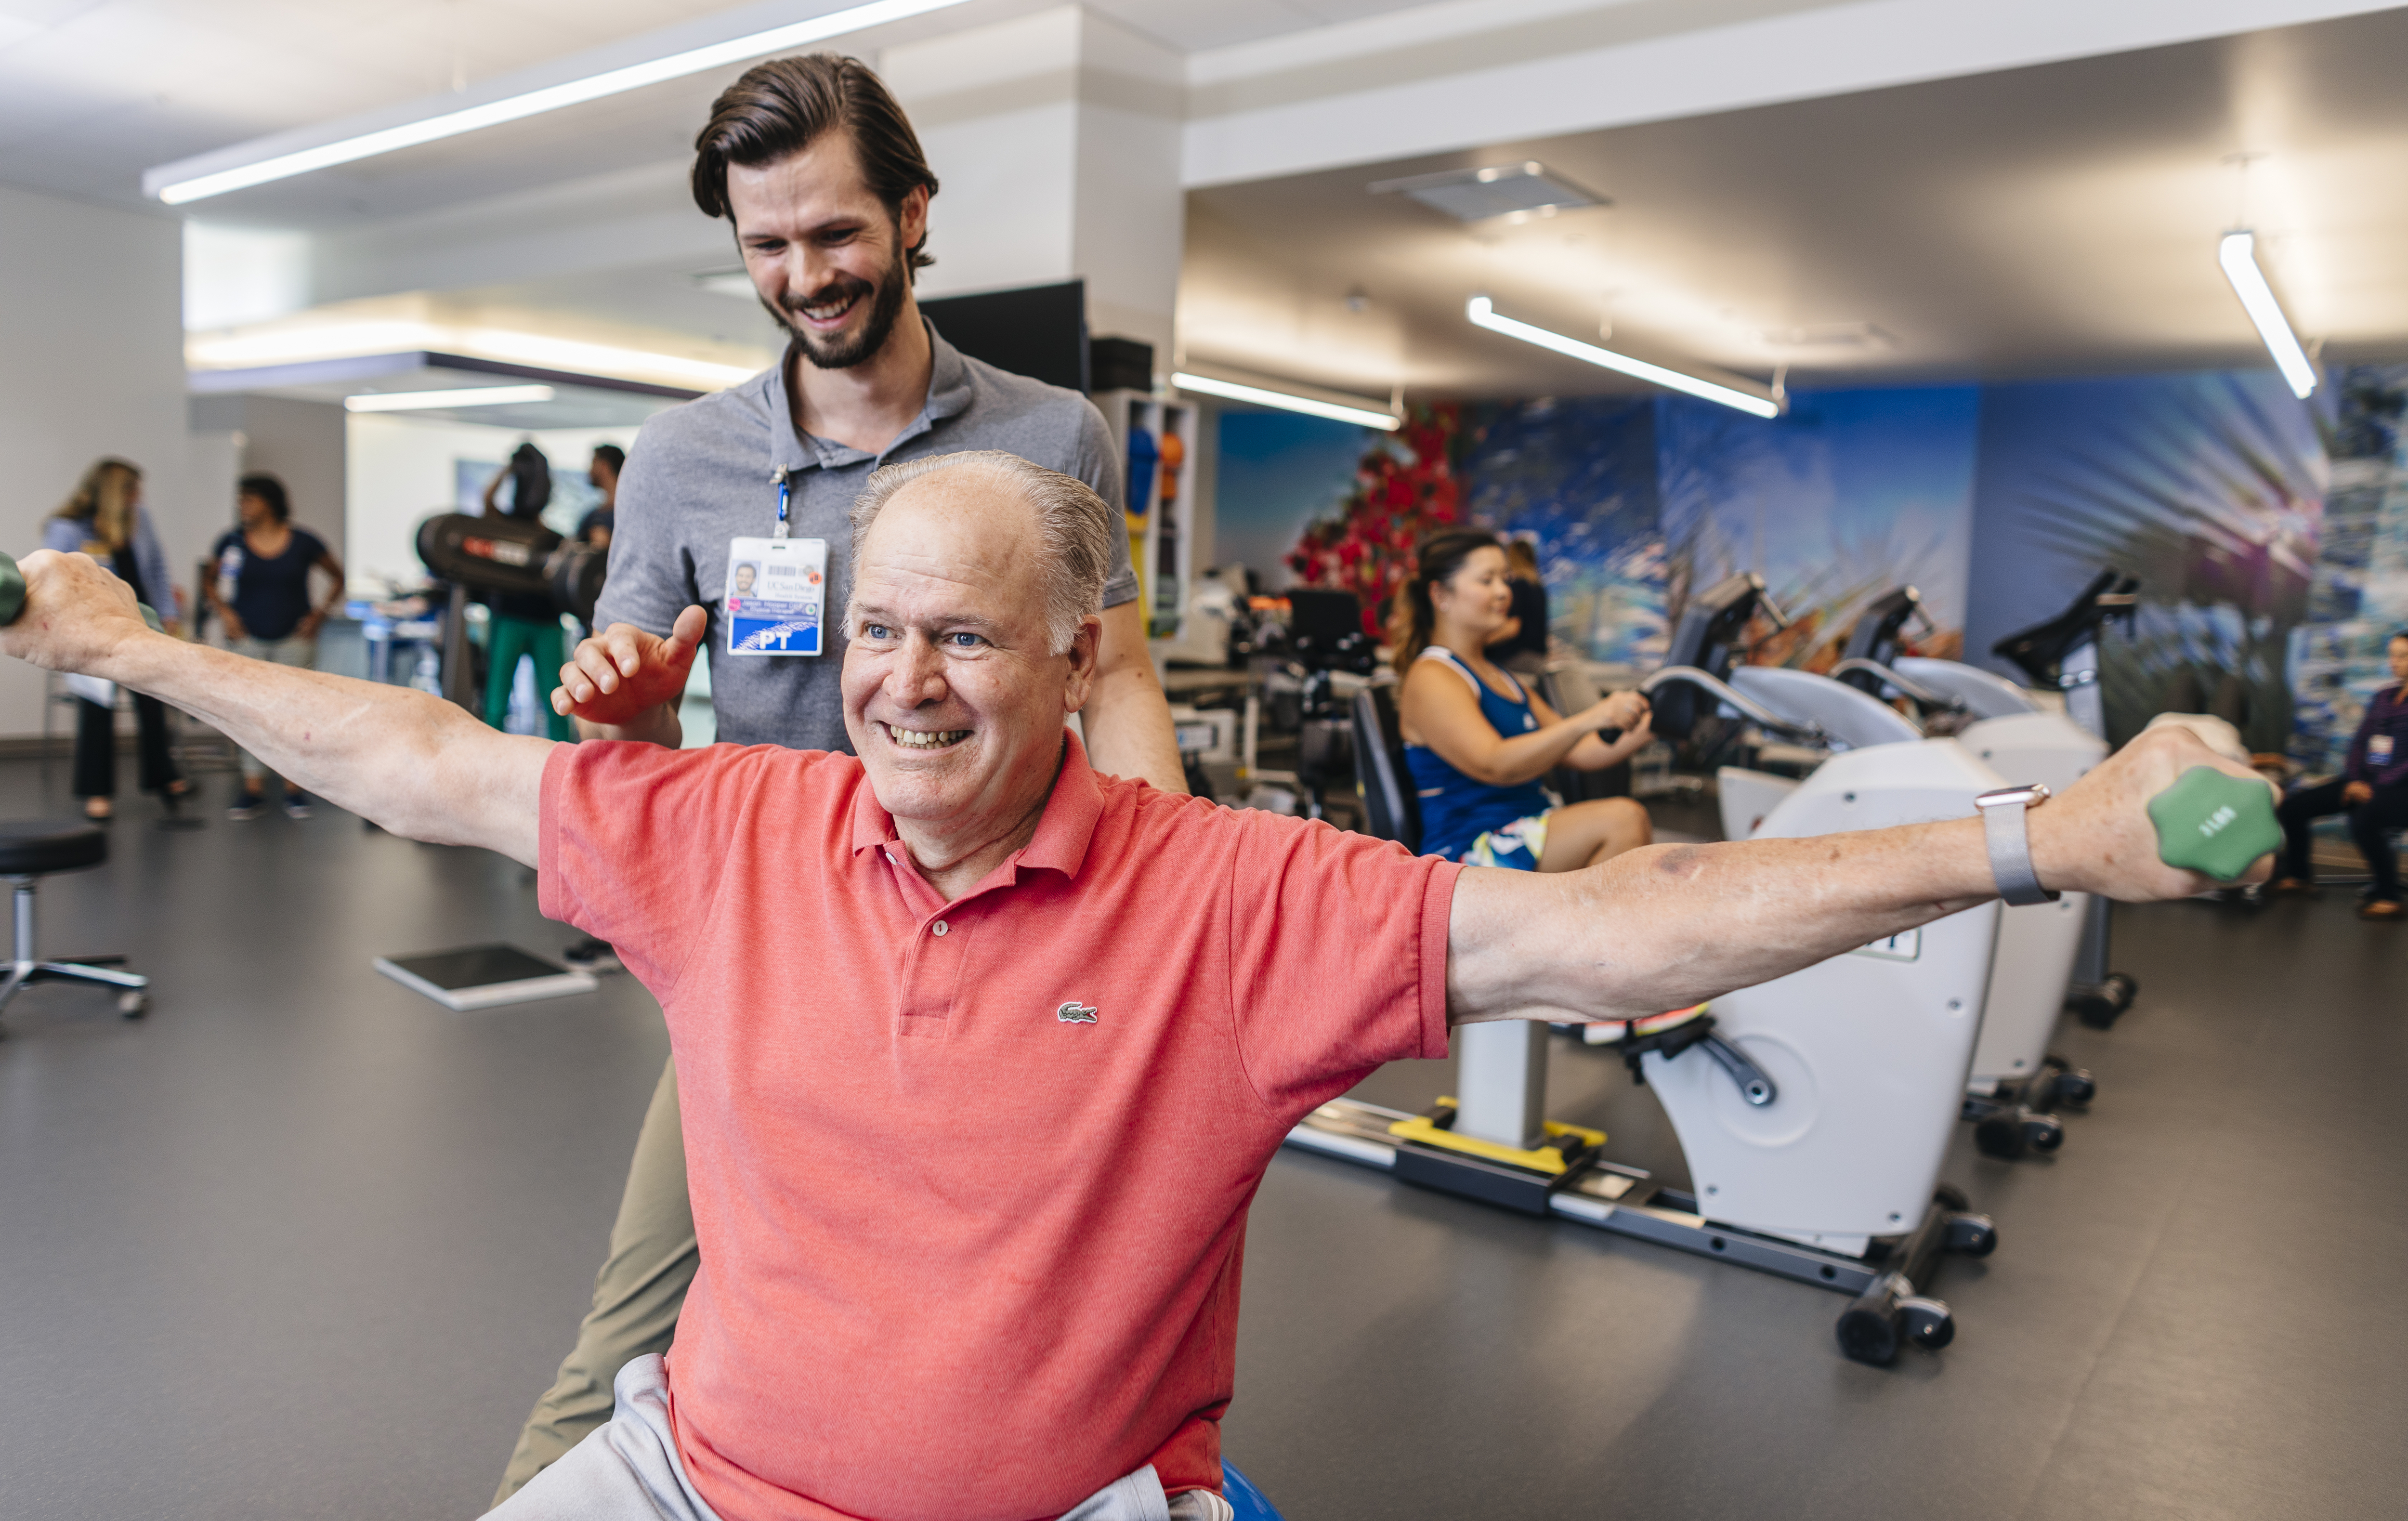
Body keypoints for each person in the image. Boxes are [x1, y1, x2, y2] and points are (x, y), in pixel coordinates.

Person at [0, 451, 2269, 1521]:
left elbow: (1618, 919)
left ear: (1075, 658)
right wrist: (118, 649)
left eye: (963, 636)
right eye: (876, 632)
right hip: (694, 1484)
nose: (904, 684)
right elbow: (420, 756)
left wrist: (2036, 840)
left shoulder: (1229, 900)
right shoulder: (732, 829)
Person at [506, 52, 1186, 1501]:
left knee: (1035, 1332)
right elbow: (630, 755)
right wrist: (620, 716)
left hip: (1008, 941)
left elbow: (1114, 674)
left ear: (912, 214)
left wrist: (1169, 901)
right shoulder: (684, 460)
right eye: (768, 243)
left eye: (836, 233)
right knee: (632, 1314)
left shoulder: (1049, 434)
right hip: (775, 952)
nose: (805, 272)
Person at [1395, 528, 1655, 871]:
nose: (1504, 592)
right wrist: (1591, 717)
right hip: (1467, 853)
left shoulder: (1501, 677)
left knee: (1629, 832)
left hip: (1527, 826)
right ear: (1441, 594)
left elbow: (1583, 750)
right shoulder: (1432, 675)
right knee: (1624, 820)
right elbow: (1494, 763)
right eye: (1486, 580)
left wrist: (1664, 719)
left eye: (1505, 579)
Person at [43, 457, 190, 822]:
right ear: (113, 491)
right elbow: (55, 580)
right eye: (132, 489)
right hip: (93, 631)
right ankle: (97, 792)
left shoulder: (140, 519)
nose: (138, 497)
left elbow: (156, 566)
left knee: (154, 702)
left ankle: (164, 777)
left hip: (141, 623)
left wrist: (168, 613)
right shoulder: (68, 527)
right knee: (98, 710)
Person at [203, 473, 345, 820]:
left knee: (295, 711)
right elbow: (209, 580)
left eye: (249, 499)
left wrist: (320, 614)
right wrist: (225, 613)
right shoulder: (232, 542)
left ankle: (294, 786)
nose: (242, 506)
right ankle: (252, 786)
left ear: (270, 502)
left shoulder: (304, 542)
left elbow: (337, 577)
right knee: (249, 710)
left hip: (294, 638)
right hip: (248, 638)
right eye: (241, 500)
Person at [2273, 630, 2408, 918]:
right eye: (2392, 654)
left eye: (2402, 656)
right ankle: (2299, 876)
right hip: (2364, 782)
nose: (2394, 662)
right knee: (2294, 807)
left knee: (2365, 818)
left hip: (2400, 790)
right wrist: (2356, 779)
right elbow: (2360, 741)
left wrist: (2375, 787)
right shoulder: (2384, 696)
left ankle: (2389, 896)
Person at [481, 444, 575, 743]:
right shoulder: (506, 527)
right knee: (496, 702)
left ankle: (564, 761)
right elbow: (487, 500)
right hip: (509, 619)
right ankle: (489, 758)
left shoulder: (555, 539)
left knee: (557, 702)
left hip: (547, 625)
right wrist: (509, 471)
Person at [1490, 534, 1550, 675]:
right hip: (1538, 657)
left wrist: (1480, 643)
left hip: (1518, 658)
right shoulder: (1538, 587)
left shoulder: (1518, 586)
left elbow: (1513, 627)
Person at [579, 444, 624, 549]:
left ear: (604, 466)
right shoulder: (596, 513)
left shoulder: (603, 516)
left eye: (593, 463)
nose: (590, 470)